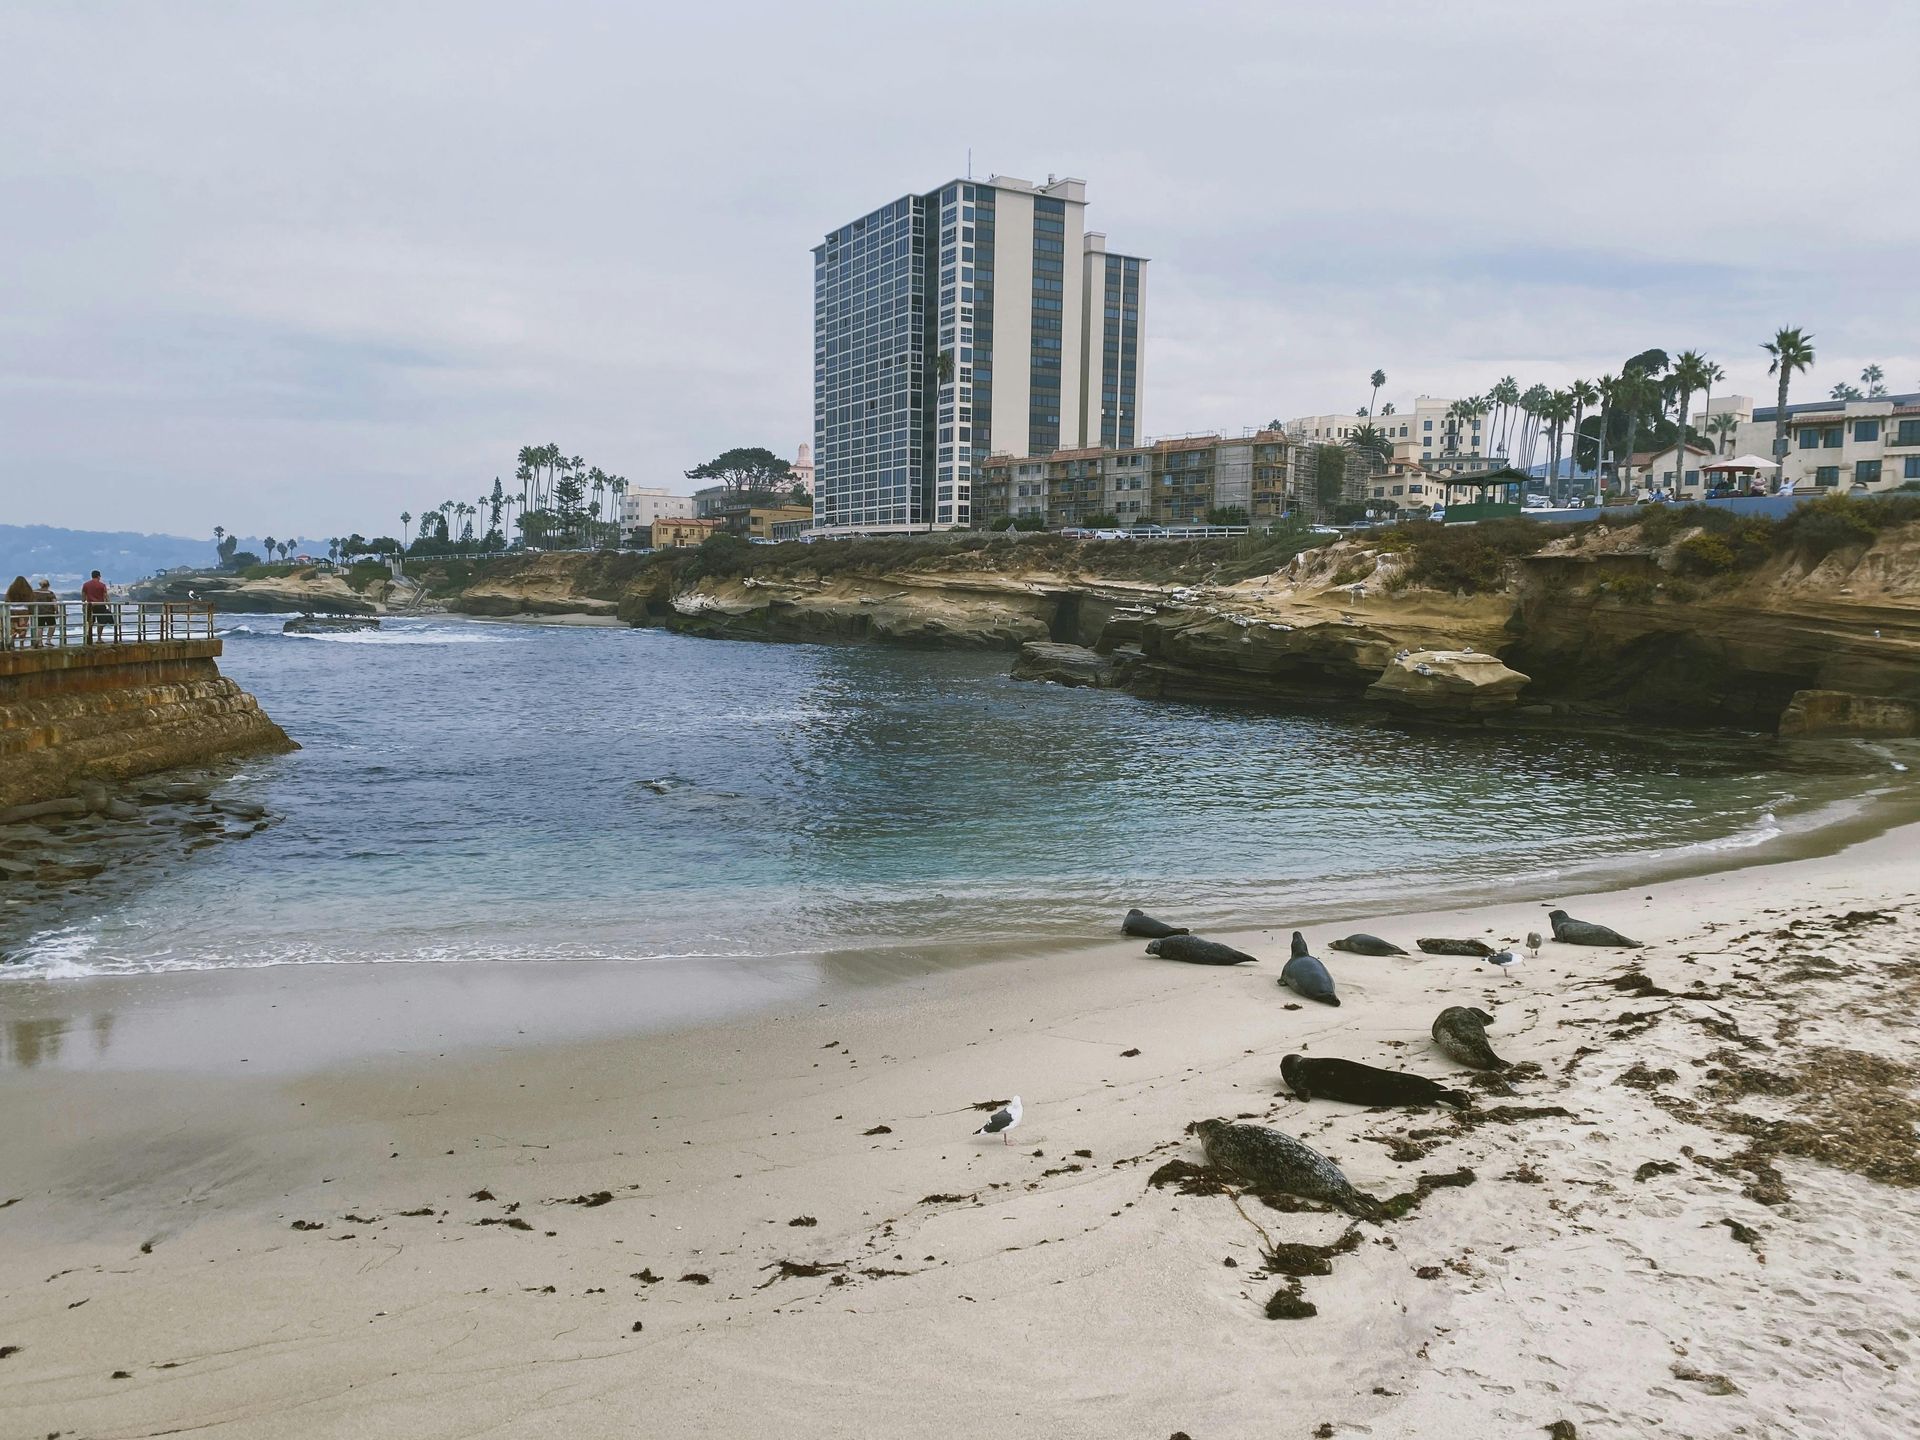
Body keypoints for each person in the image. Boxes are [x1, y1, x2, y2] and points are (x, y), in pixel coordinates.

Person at [81, 569, 111, 643]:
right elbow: (106, 596)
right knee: (101, 622)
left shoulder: (86, 584)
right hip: (100, 605)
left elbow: (83, 596)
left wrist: (83, 605)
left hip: (90, 605)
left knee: (90, 622)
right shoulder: (102, 585)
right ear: (98, 576)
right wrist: (109, 605)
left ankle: (89, 638)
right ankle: (99, 638)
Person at [5, 575, 31, 647]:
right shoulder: (27, 589)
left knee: (13, 626)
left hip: (12, 610)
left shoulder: (11, 588)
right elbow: (31, 599)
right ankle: (21, 644)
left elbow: (7, 599)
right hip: (24, 610)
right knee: (23, 626)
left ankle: (12, 642)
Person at [30, 579, 58, 645]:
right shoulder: (50, 593)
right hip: (49, 612)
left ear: (40, 585)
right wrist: (56, 611)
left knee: (40, 627)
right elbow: (54, 603)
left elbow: (31, 601)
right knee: (52, 626)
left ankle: (40, 642)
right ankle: (48, 640)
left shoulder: (35, 592)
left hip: (38, 612)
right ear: (48, 585)